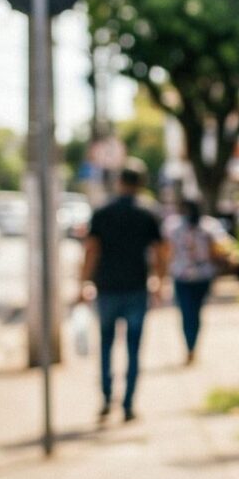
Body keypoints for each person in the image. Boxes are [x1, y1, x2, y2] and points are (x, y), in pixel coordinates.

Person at [79, 166, 167, 424]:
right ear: (141, 184)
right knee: (133, 349)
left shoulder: (102, 213)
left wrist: (83, 283)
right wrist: (160, 282)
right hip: (136, 289)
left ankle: (107, 398)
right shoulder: (147, 213)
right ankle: (128, 404)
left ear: (119, 182)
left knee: (105, 345)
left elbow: (91, 251)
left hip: (106, 289)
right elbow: (162, 250)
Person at [163, 199, 233, 366]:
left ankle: (191, 346)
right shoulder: (180, 226)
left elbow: (220, 248)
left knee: (190, 313)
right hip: (189, 275)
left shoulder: (206, 227)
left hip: (197, 275)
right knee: (191, 312)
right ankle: (191, 346)